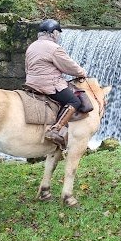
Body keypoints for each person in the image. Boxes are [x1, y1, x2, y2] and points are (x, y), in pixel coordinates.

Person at [24, 19, 89, 150]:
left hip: (31, 83)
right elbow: (69, 66)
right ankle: (56, 129)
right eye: (58, 33)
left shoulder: (32, 46)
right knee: (74, 101)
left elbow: (27, 68)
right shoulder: (54, 48)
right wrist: (82, 72)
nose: (58, 36)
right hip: (48, 85)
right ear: (53, 33)